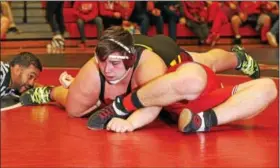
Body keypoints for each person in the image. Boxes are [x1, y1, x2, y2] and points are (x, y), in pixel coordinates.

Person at [20, 27, 260, 128]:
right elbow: (74, 105)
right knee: (74, 106)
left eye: (114, 64)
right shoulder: (96, 68)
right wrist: (58, 92)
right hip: (128, 59)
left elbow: (153, 102)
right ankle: (48, 92)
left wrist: (129, 123)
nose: (107, 70)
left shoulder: (149, 68)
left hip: (164, 53)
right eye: (102, 62)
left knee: (206, 61)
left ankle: (237, 57)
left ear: (130, 60)